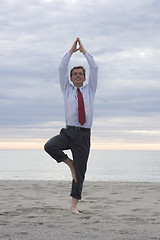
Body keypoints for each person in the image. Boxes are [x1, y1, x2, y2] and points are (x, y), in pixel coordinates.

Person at [44, 37, 98, 214]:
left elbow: (95, 68)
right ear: (70, 78)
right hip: (69, 132)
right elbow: (61, 67)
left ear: (84, 77)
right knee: (50, 146)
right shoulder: (66, 89)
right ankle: (69, 163)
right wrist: (71, 52)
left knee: (80, 172)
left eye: (80, 74)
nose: (77, 76)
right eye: (74, 74)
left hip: (83, 135)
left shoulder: (90, 89)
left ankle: (73, 206)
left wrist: (84, 51)